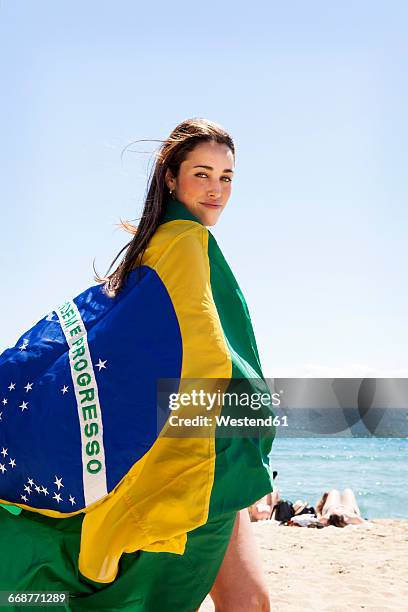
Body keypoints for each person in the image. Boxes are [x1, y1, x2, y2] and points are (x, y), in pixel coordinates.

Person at [0, 118, 275, 611]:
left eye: (227, 177)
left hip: (200, 451)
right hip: (193, 456)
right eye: (203, 174)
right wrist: (251, 433)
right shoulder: (184, 243)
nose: (217, 190)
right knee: (241, 602)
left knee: (248, 600)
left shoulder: (157, 246)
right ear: (171, 177)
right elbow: (207, 354)